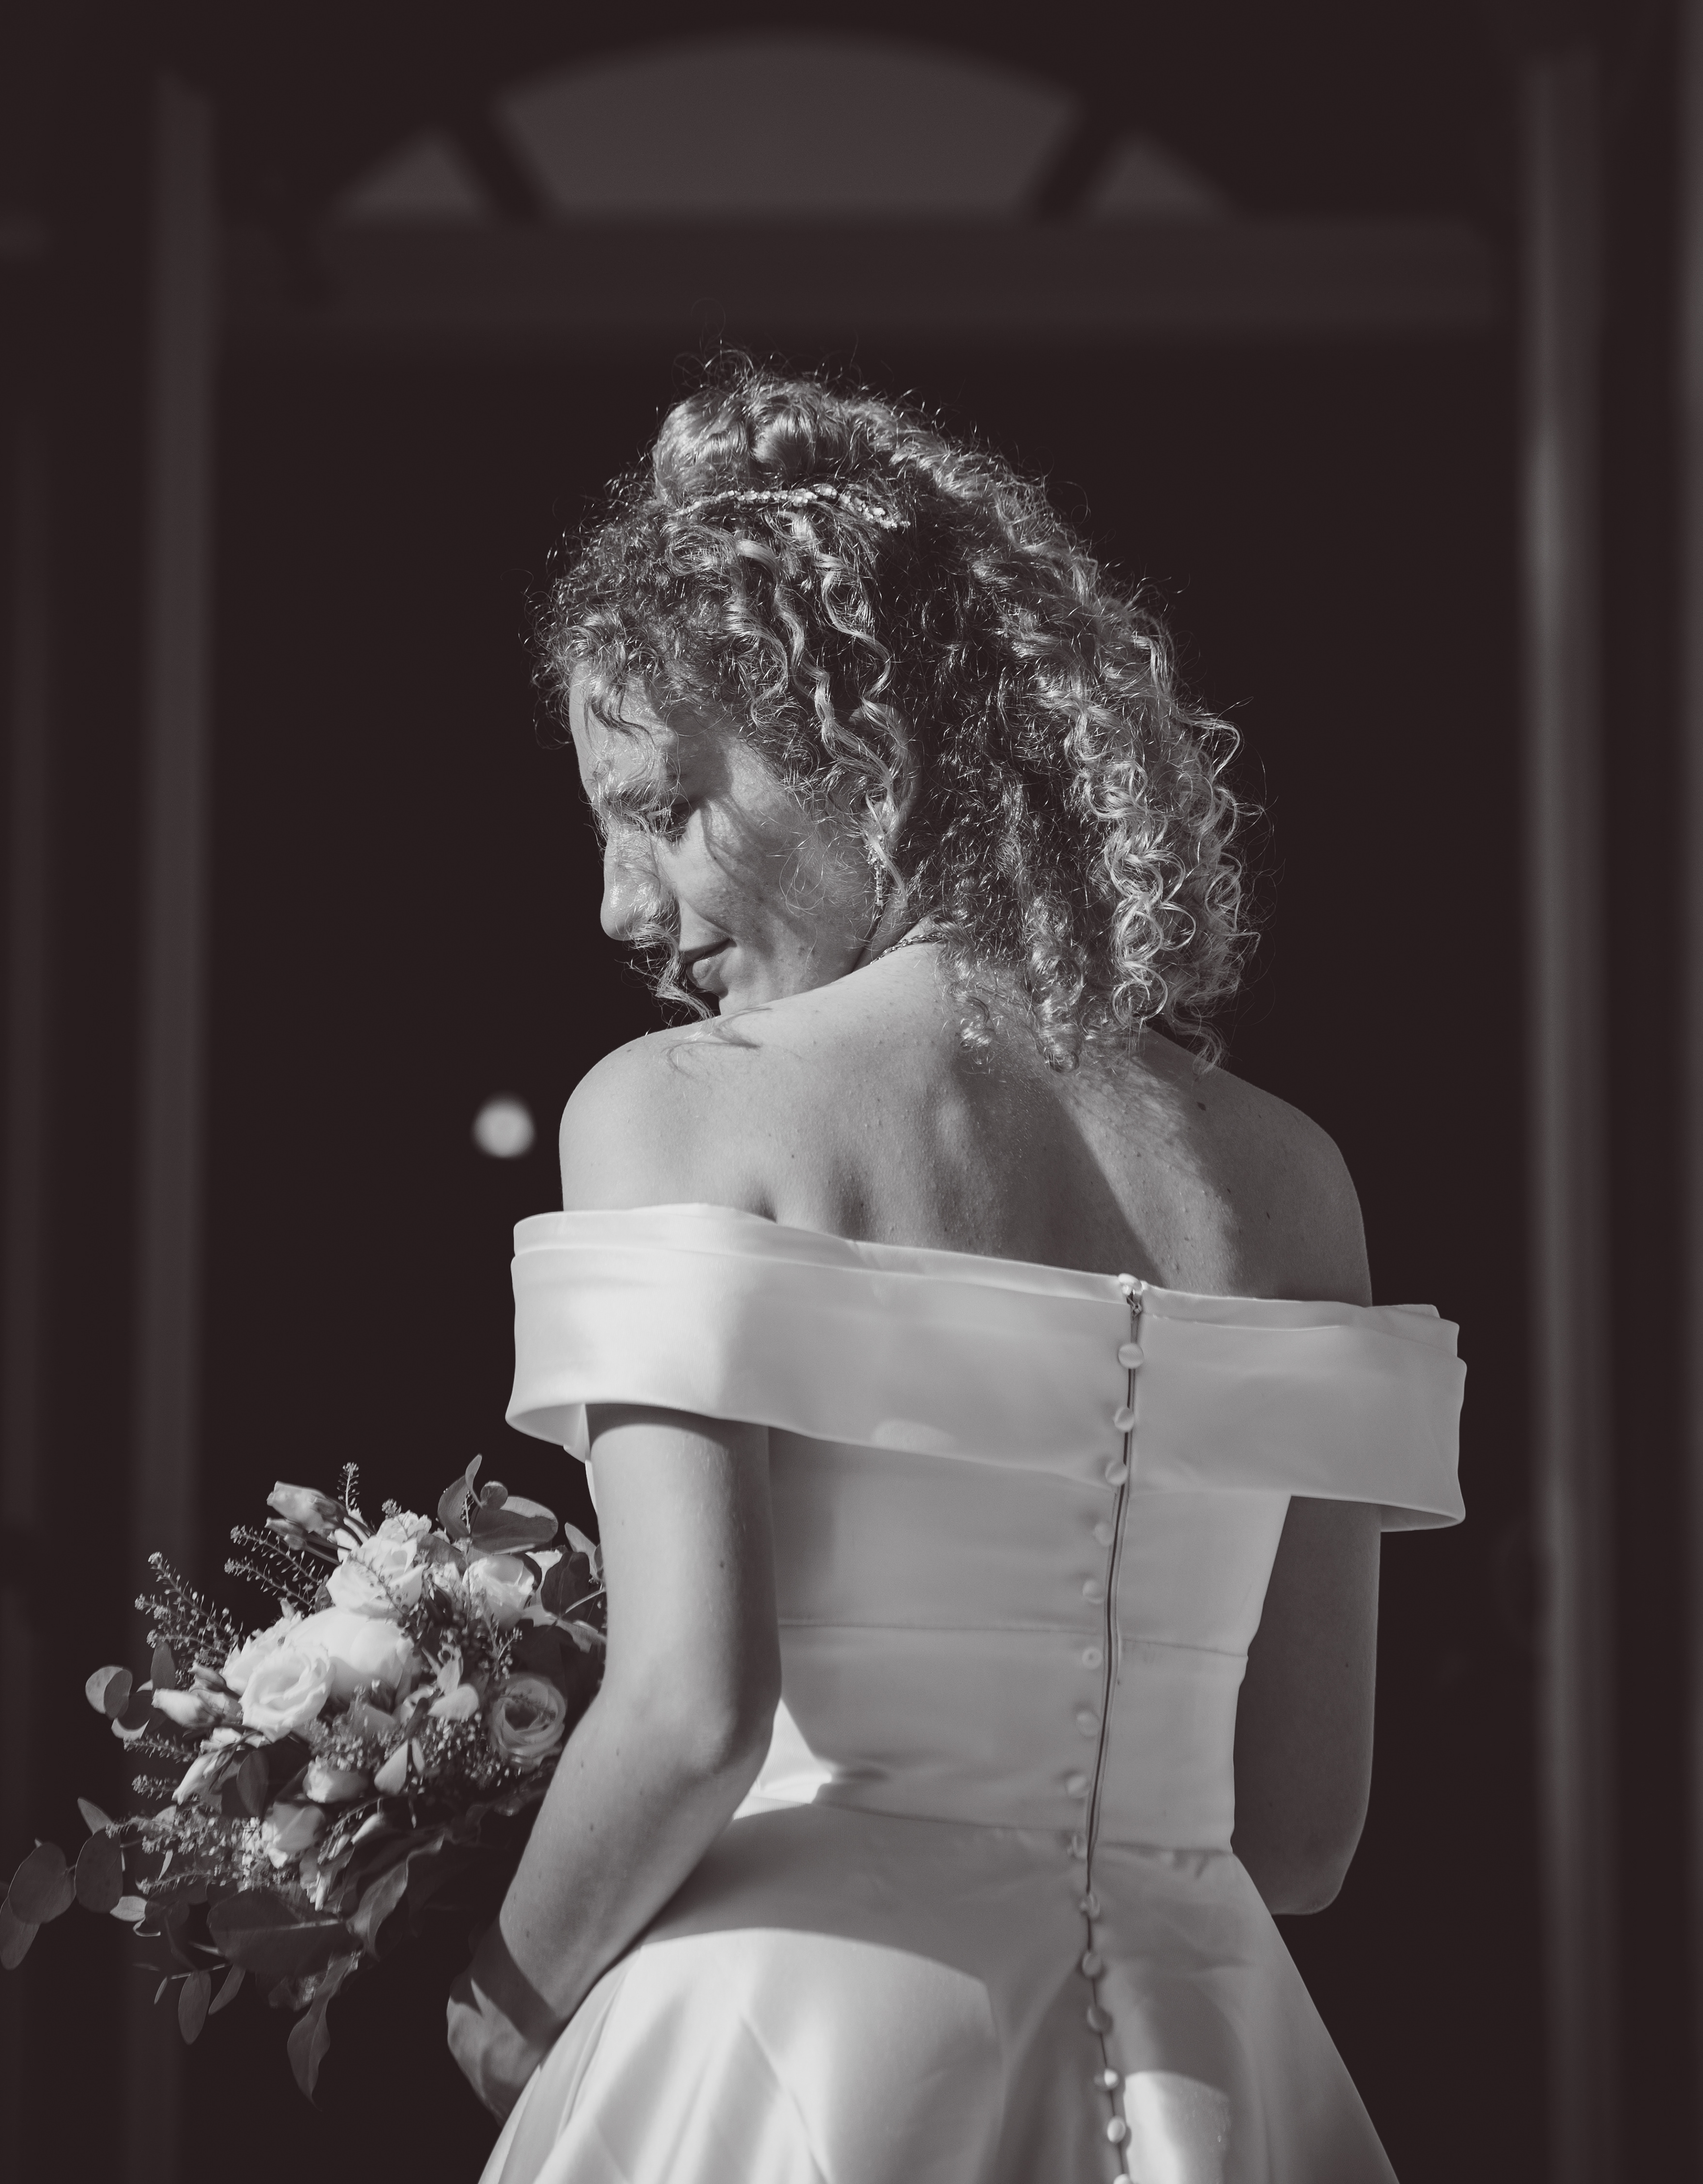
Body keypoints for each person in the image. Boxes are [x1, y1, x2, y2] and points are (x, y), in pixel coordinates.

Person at [445, 364, 1462, 2184]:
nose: (619, 906)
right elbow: (1302, 1832)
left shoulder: (684, 1110)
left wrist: (503, 1998)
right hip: (1213, 2060)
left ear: (868, 748)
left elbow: (689, 1712)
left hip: (799, 2055)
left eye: (661, 806)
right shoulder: (1293, 1179)